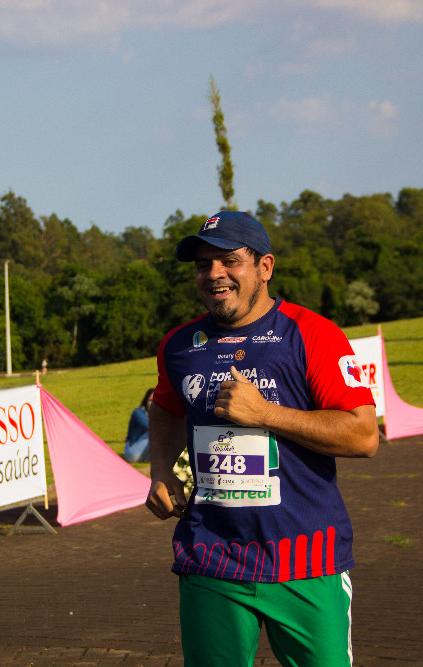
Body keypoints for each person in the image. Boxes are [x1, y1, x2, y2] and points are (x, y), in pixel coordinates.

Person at [145, 210, 378, 666]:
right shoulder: (178, 345)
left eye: (228, 261)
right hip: (212, 557)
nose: (214, 275)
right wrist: (159, 471)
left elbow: (363, 434)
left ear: (265, 267)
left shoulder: (313, 335)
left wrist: (266, 414)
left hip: (307, 561)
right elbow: (165, 407)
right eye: (202, 265)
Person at [124, 388, 153, 463]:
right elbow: (151, 428)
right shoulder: (138, 413)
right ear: (146, 401)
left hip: (143, 454)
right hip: (132, 452)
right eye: (150, 400)